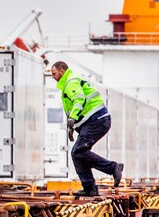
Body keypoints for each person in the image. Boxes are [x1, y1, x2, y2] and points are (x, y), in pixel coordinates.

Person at [50, 61, 123, 196]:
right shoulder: (68, 82)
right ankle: (90, 188)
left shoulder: (70, 82)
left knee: (78, 151)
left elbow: (79, 99)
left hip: (97, 120)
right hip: (96, 120)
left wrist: (72, 117)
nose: (52, 77)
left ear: (61, 71)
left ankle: (113, 168)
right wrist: (72, 126)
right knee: (77, 153)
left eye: (54, 74)